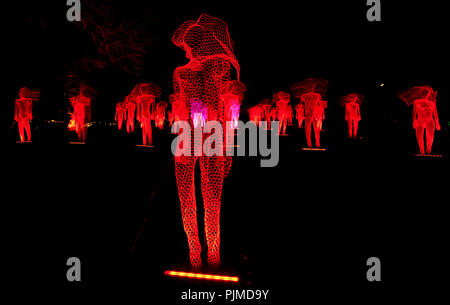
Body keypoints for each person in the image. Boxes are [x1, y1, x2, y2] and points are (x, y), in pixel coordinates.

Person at [172, 14, 241, 269]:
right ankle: (204, 254)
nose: (189, 49)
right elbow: (227, 111)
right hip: (202, 137)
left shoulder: (211, 70)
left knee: (198, 198)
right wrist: (228, 147)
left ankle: (204, 254)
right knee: (204, 198)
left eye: (191, 44)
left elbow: (226, 109)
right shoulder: (199, 71)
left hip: (196, 137)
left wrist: (227, 148)